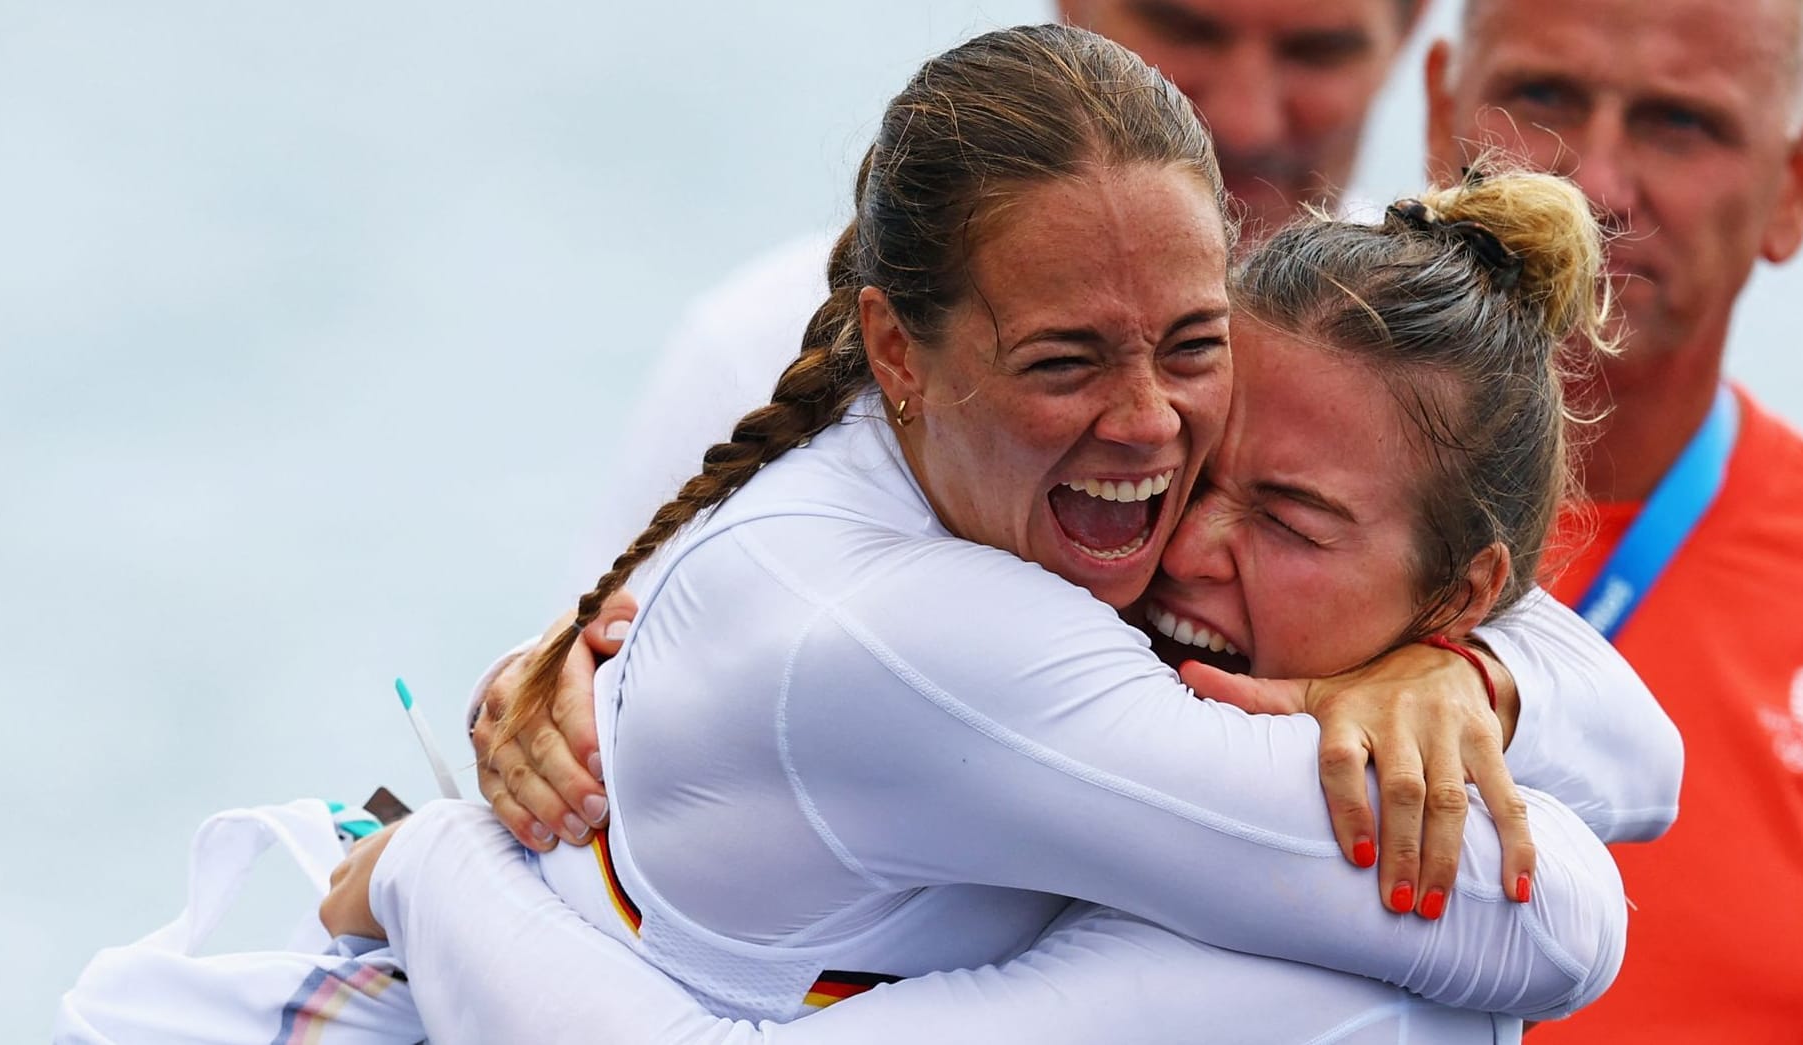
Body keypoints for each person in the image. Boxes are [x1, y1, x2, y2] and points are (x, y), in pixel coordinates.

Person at [327, 164, 1668, 1043]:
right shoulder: (1012, 618)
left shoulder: (1323, 970)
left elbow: (1571, 895)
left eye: (1290, 519)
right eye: (1190, 463)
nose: (1184, 538)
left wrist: (434, 869)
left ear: (1462, 591)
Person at [563, 0, 1436, 659]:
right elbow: (595, 676)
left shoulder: (1405, 343)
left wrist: (1474, 679)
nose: (1244, 117)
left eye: (1316, 49)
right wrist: (552, 687)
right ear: (895, 353)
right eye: (1188, 27)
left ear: (1415, 27)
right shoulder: (754, 343)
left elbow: (1522, 615)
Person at [1421, 0, 1803, 1040]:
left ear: (1790, 192)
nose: (1591, 185)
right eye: (1541, 97)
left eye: (1679, 122)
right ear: (1436, 111)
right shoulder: (1206, 498)